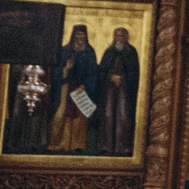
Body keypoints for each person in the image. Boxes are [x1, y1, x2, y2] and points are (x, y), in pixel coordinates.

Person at [47, 24, 100, 152]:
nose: (80, 37)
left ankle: (77, 145)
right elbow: (57, 71)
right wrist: (66, 69)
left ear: (86, 36)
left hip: (81, 90)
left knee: (79, 117)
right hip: (65, 88)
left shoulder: (89, 52)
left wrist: (84, 86)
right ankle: (60, 144)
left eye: (82, 34)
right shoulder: (65, 51)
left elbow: (93, 73)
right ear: (73, 35)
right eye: (77, 34)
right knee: (62, 114)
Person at [94, 27, 140, 156]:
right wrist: (110, 77)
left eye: (121, 36)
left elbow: (134, 73)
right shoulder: (109, 52)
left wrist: (123, 78)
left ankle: (123, 147)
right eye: (117, 36)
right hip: (109, 90)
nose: (119, 39)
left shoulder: (131, 52)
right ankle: (106, 146)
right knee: (108, 116)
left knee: (123, 117)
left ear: (126, 38)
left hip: (124, 90)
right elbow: (102, 71)